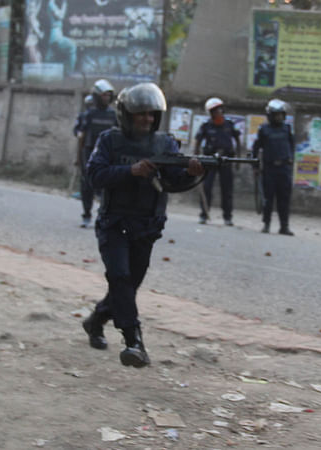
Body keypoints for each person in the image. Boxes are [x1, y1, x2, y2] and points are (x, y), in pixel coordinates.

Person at [81, 82, 204, 368]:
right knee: (120, 277)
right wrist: (130, 170)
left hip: (146, 226)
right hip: (114, 223)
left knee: (128, 285)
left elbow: (173, 181)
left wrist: (192, 172)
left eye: (151, 114)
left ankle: (96, 320)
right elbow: (94, 176)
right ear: (126, 115)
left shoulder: (165, 144)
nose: (147, 120)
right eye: (141, 114)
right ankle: (134, 342)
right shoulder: (109, 141)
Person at [73, 79, 118, 228]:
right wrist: (79, 157)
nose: (106, 97)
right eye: (103, 95)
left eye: (108, 95)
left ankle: (104, 215)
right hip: (89, 152)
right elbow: (81, 136)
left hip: (108, 155)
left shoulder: (113, 115)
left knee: (106, 186)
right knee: (87, 185)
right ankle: (86, 214)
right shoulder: (89, 114)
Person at [194, 97, 241, 226]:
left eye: (219, 109)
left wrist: (237, 159)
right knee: (207, 187)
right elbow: (197, 142)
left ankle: (227, 217)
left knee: (227, 190)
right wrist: (196, 159)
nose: (218, 112)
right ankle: (204, 214)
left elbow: (237, 141)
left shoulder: (229, 125)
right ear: (210, 113)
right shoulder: (206, 126)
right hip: (210, 161)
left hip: (226, 160)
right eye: (214, 110)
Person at [252, 99, 295, 235]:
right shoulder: (264, 130)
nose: (279, 117)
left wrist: (290, 159)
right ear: (270, 115)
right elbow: (256, 148)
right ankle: (266, 224)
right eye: (276, 115)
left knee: (284, 199)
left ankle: (284, 226)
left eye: (281, 115)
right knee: (268, 199)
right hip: (270, 169)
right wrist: (255, 166)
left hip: (284, 169)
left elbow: (291, 146)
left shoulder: (287, 129)